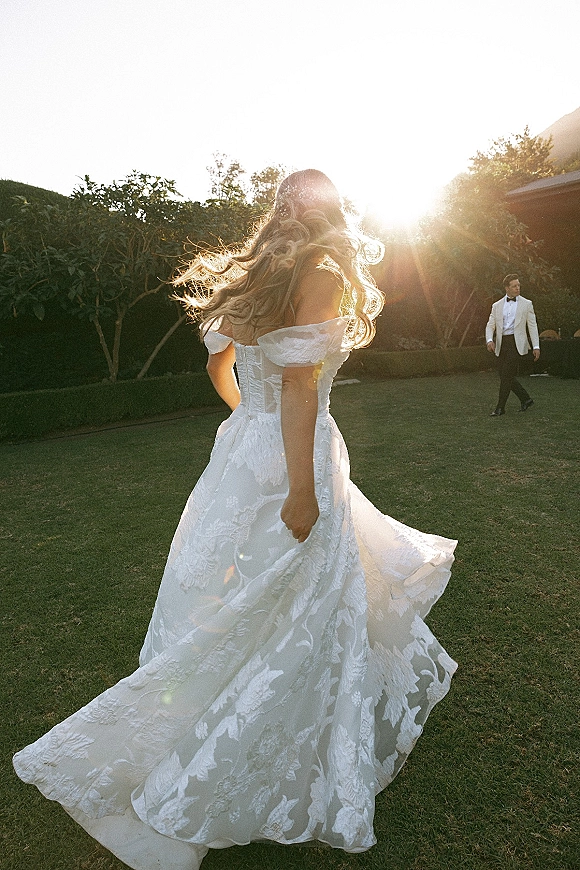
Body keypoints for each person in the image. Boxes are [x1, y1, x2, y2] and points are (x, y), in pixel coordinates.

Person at [13, 170, 457, 870]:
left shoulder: (258, 276)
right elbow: (301, 386)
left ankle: (210, 716)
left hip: (241, 451)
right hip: (293, 454)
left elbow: (225, 368)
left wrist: (249, 427)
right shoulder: (318, 271)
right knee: (295, 598)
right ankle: (246, 747)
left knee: (231, 594)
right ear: (335, 214)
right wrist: (302, 487)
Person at [486, 274, 540, 416]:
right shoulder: (496, 306)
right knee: (505, 376)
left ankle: (500, 408)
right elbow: (490, 325)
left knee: (506, 376)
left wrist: (536, 346)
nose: (518, 288)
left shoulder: (527, 304)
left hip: (516, 344)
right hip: (501, 344)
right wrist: (489, 340)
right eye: (514, 286)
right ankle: (526, 399)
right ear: (507, 288)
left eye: (518, 285)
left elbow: (532, 326)